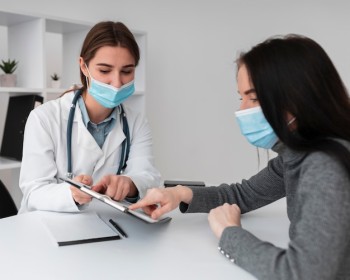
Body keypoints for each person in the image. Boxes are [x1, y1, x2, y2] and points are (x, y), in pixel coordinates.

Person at [129, 34, 350, 279]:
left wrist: (230, 233)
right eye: (241, 97)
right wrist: (180, 193)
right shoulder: (296, 157)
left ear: (299, 98)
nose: (241, 110)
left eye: (253, 98)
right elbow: (243, 195)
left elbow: (301, 274)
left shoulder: (324, 165)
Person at [19, 21, 161, 213]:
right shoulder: (43, 118)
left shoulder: (136, 122)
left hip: (107, 228)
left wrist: (129, 184)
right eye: (104, 70)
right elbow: (33, 192)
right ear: (84, 67)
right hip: (48, 230)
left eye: (127, 71)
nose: (117, 82)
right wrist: (71, 194)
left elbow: (147, 176)